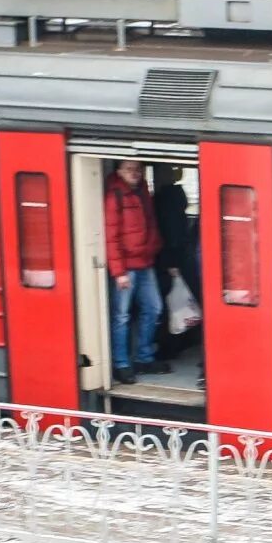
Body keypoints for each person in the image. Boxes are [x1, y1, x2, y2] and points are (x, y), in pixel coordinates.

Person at [104, 159, 167, 384]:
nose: (135, 173)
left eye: (138, 169)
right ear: (119, 171)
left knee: (154, 308)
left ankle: (144, 356)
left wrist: (154, 249)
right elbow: (110, 237)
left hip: (145, 262)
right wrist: (119, 272)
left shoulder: (142, 192)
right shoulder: (115, 196)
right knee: (121, 316)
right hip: (126, 267)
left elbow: (151, 225)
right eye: (129, 169)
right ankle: (121, 364)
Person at [151, 164, 201, 355]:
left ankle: (170, 346)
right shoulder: (178, 195)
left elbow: (171, 232)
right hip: (177, 255)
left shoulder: (166, 198)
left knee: (170, 304)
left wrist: (170, 262)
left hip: (168, 257)